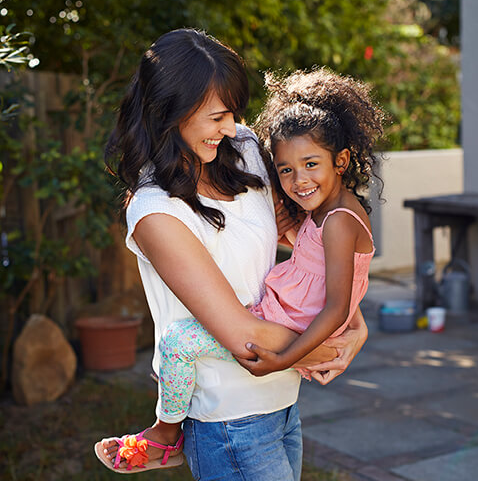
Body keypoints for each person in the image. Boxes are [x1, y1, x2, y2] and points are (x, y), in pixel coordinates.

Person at [94, 29, 369, 480]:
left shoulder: (241, 151)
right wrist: (324, 346)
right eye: (217, 116)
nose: (231, 126)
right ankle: (165, 435)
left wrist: (355, 323)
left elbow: (309, 246)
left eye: (233, 113)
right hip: (229, 421)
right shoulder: (155, 212)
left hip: (282, 404)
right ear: (169, 113)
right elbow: (244, 337)